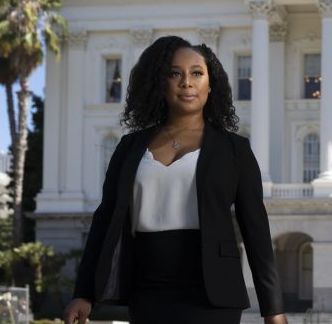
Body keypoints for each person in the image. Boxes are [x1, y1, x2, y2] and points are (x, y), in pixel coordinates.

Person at [64, 35, 288, 324]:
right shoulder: (129, 147)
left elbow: (255, 230)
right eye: (175, 73)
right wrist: (84, 293)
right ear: (160, 82)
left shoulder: (235, 150)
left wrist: (274, 310)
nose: (187, 82)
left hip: (211, 292)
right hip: (146, 288)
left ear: (211, 83)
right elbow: (105, 220)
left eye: (197, 73)